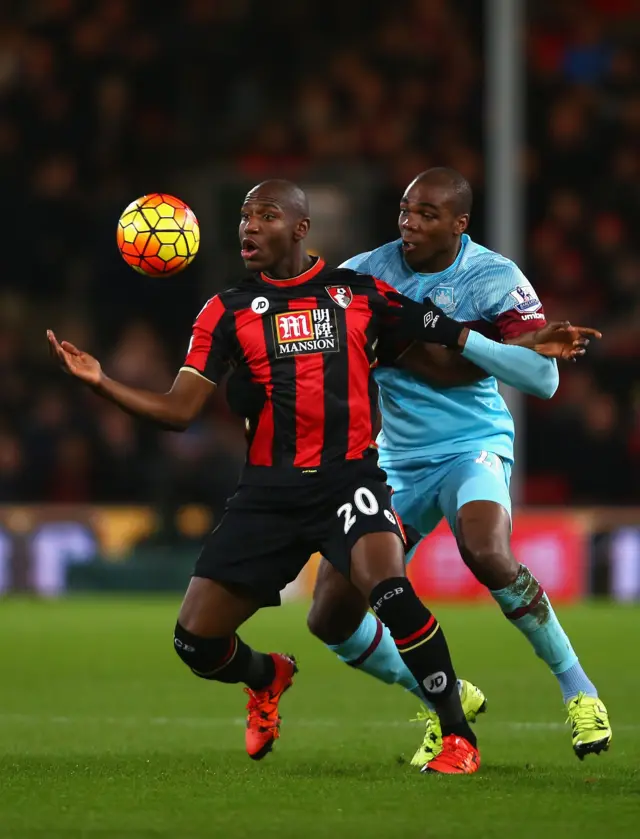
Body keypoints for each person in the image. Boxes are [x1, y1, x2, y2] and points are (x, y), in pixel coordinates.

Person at [49, 177, 534, 775]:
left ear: (301, 229)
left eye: (266, 216)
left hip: (349, 480)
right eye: (245, 217)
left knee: (389, 589)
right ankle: (268, 675)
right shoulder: (225, 311)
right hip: (268, 496)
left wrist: (529, 349)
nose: (249, 226)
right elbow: (178, 412)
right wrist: (102, 382)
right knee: (195, 644)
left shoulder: (358, 293)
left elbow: (444, 333)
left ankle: (459, 736)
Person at [306, 168, 611, 768]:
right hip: (393, 460)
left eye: (426, 214)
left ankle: (579, 689)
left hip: (471, 445)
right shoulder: (367, 273)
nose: (410, 224)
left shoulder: (493, 278)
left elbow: (544, 379)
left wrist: (461, 339)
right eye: (404, 210)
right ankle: (440, 693)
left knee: (486, 551)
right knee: (330, 617)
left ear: (459, 223)